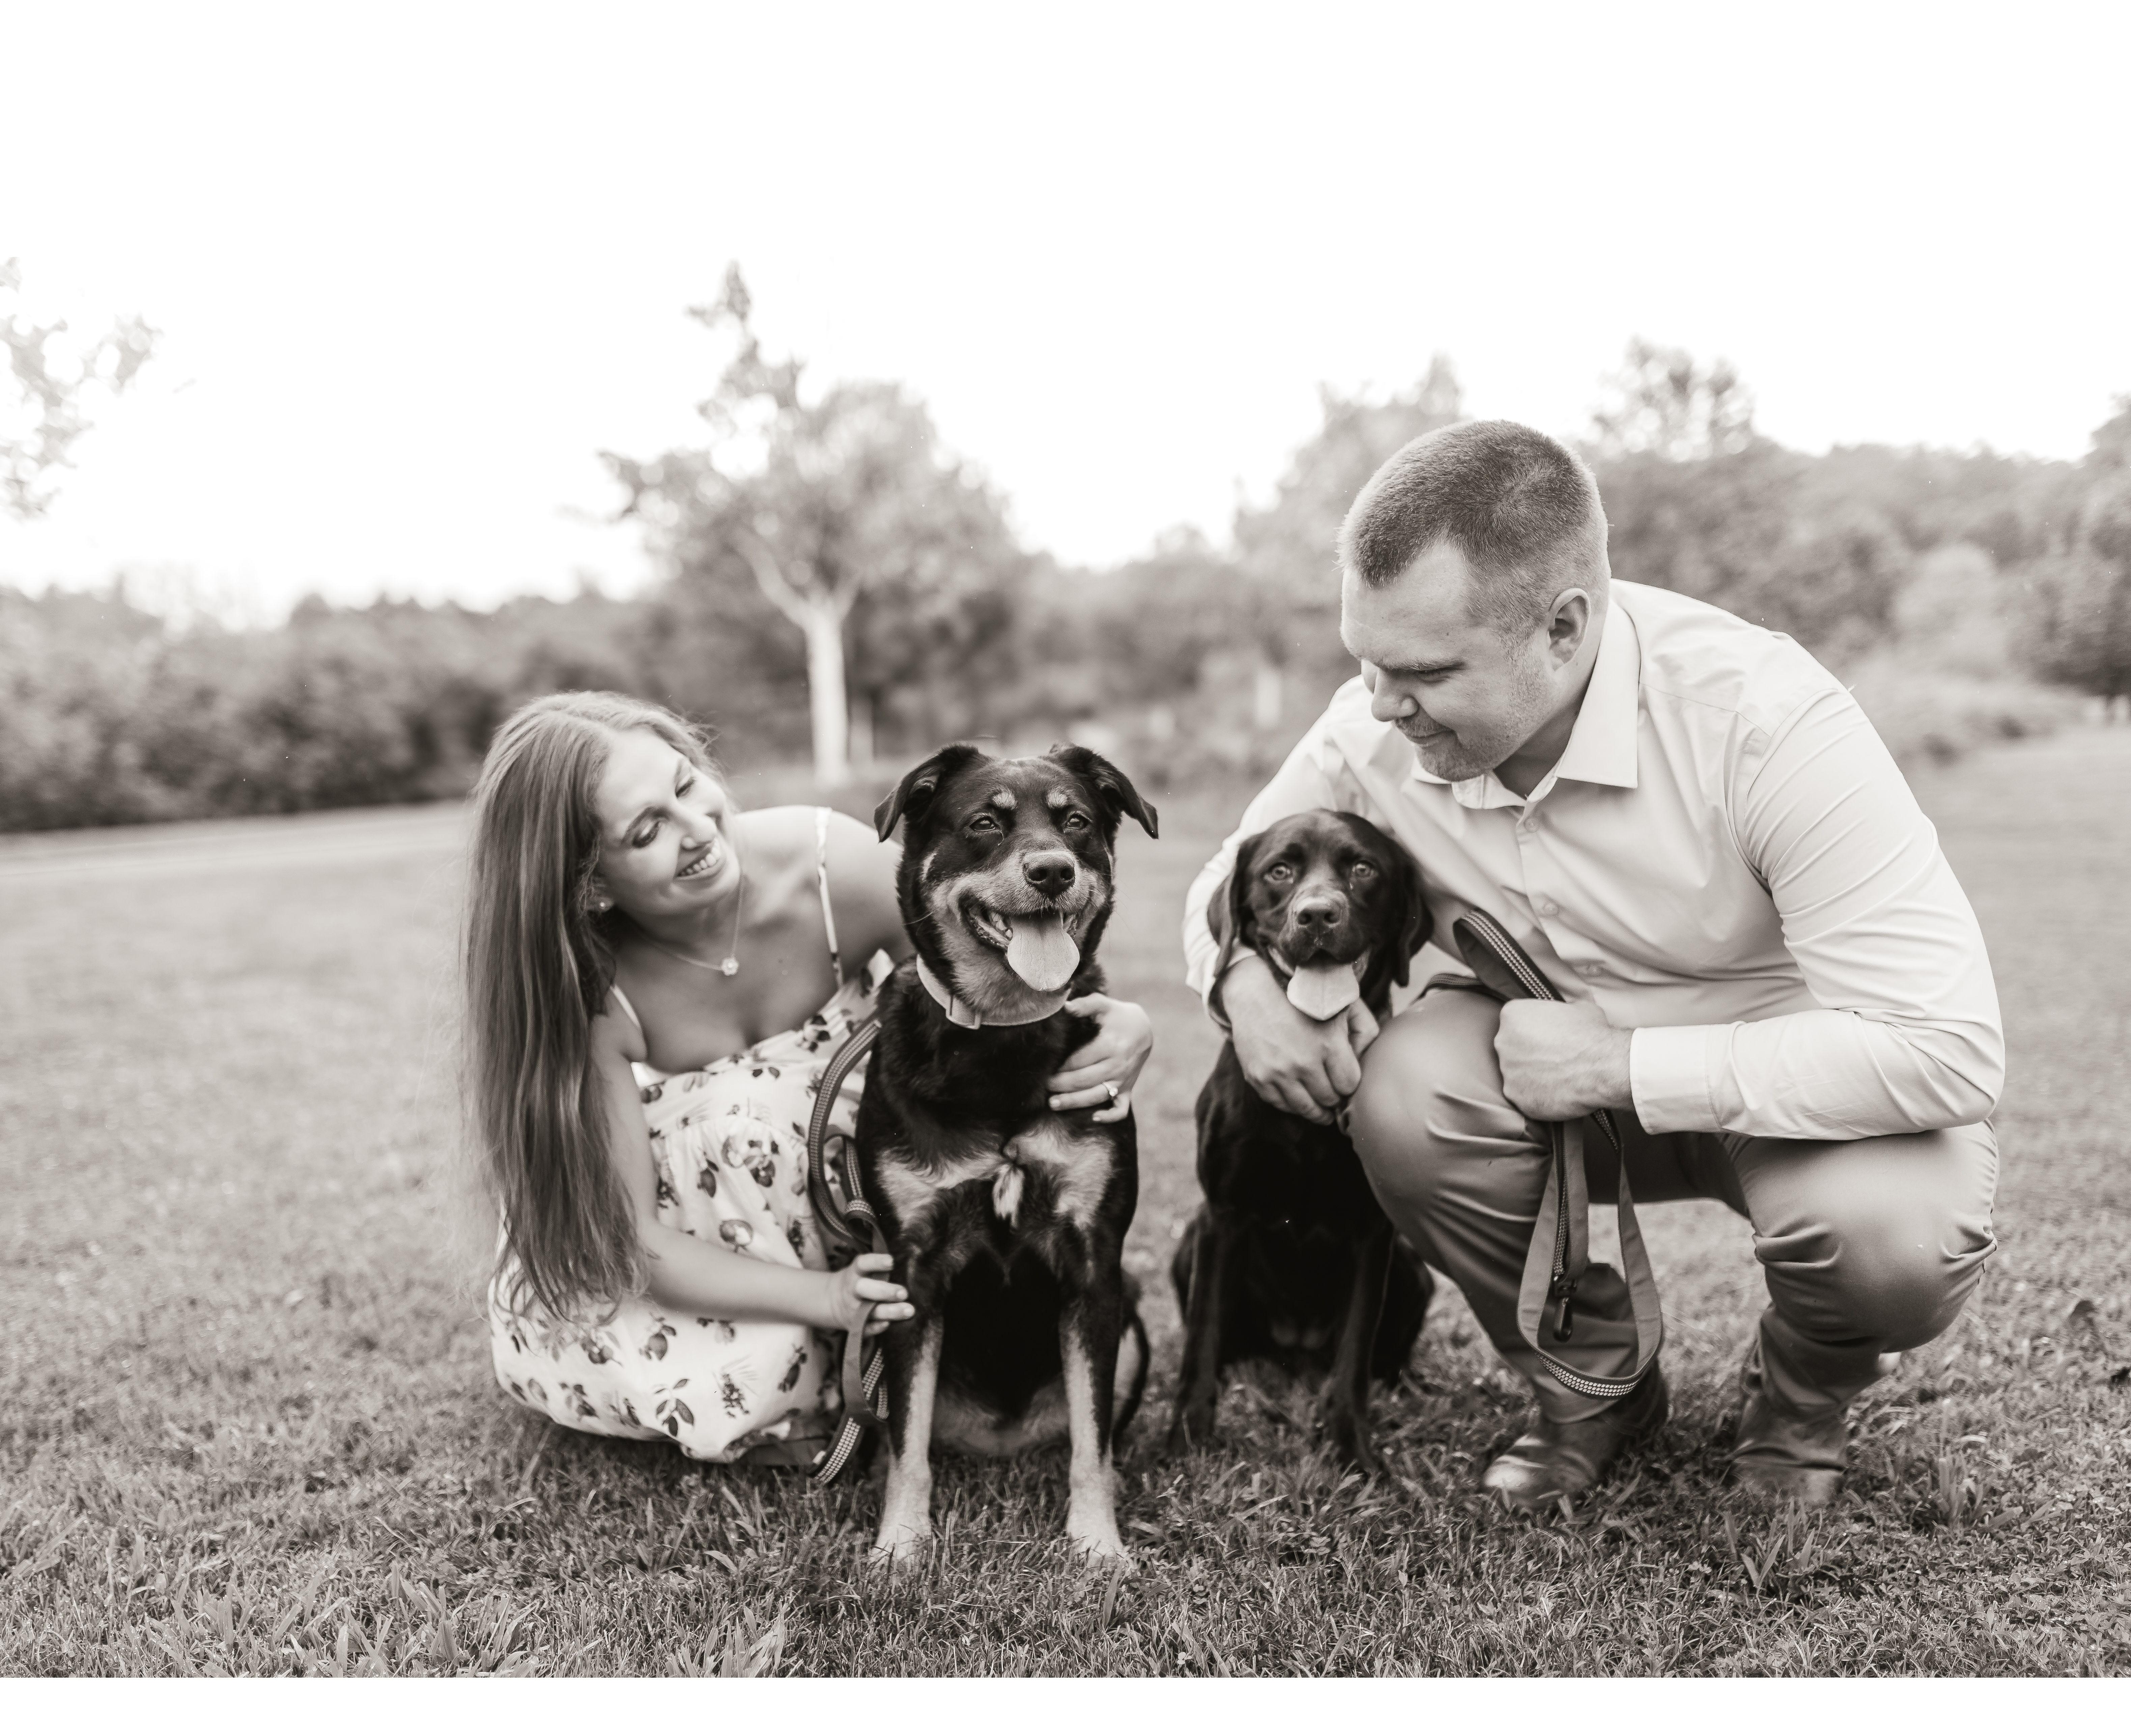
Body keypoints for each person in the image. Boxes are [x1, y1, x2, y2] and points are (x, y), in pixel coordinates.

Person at [1184, 422, 2001, 1509]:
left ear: (1563, 627)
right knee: (1401, 1093)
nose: (1380, 703)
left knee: (1895, 1241)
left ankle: (1801, 1400)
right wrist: (1241, 987)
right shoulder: (1371, 733)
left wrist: (1620, 1063)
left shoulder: (1764, 721)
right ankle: (1593, 1387)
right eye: (1365, 662)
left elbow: (1945, 1049)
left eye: (1423, 672)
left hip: (1791, 1087)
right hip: (1532, 1083)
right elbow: (1220, 883)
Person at [463, 692, 1154, 1465]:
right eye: (647, 831)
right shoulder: (594, 995)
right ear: (589, 879)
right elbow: (639, 1244)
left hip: (875, 1231)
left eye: (686, 785)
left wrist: (1122, 1022)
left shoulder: (830, 868)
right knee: (715, 1380)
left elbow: (995, 974)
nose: (696, 830)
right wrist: (828, 1299)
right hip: (705, 1264)